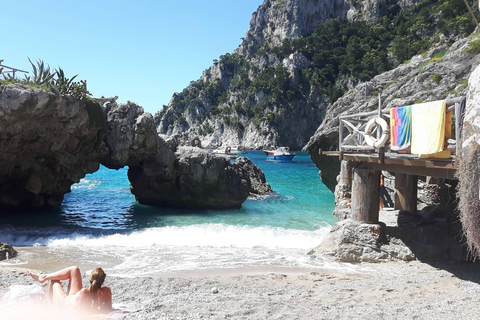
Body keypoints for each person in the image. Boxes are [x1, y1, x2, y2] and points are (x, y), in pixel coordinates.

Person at [29, 266, 112, 314]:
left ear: (90, 279)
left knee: (54, 280)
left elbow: (79, 315)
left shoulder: (85, 292)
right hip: (75, 296)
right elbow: (108, 310)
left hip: (66, 301)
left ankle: (50, 306)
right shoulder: (107, 290)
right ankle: (44, 277)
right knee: (75, 269)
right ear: (103, 281)